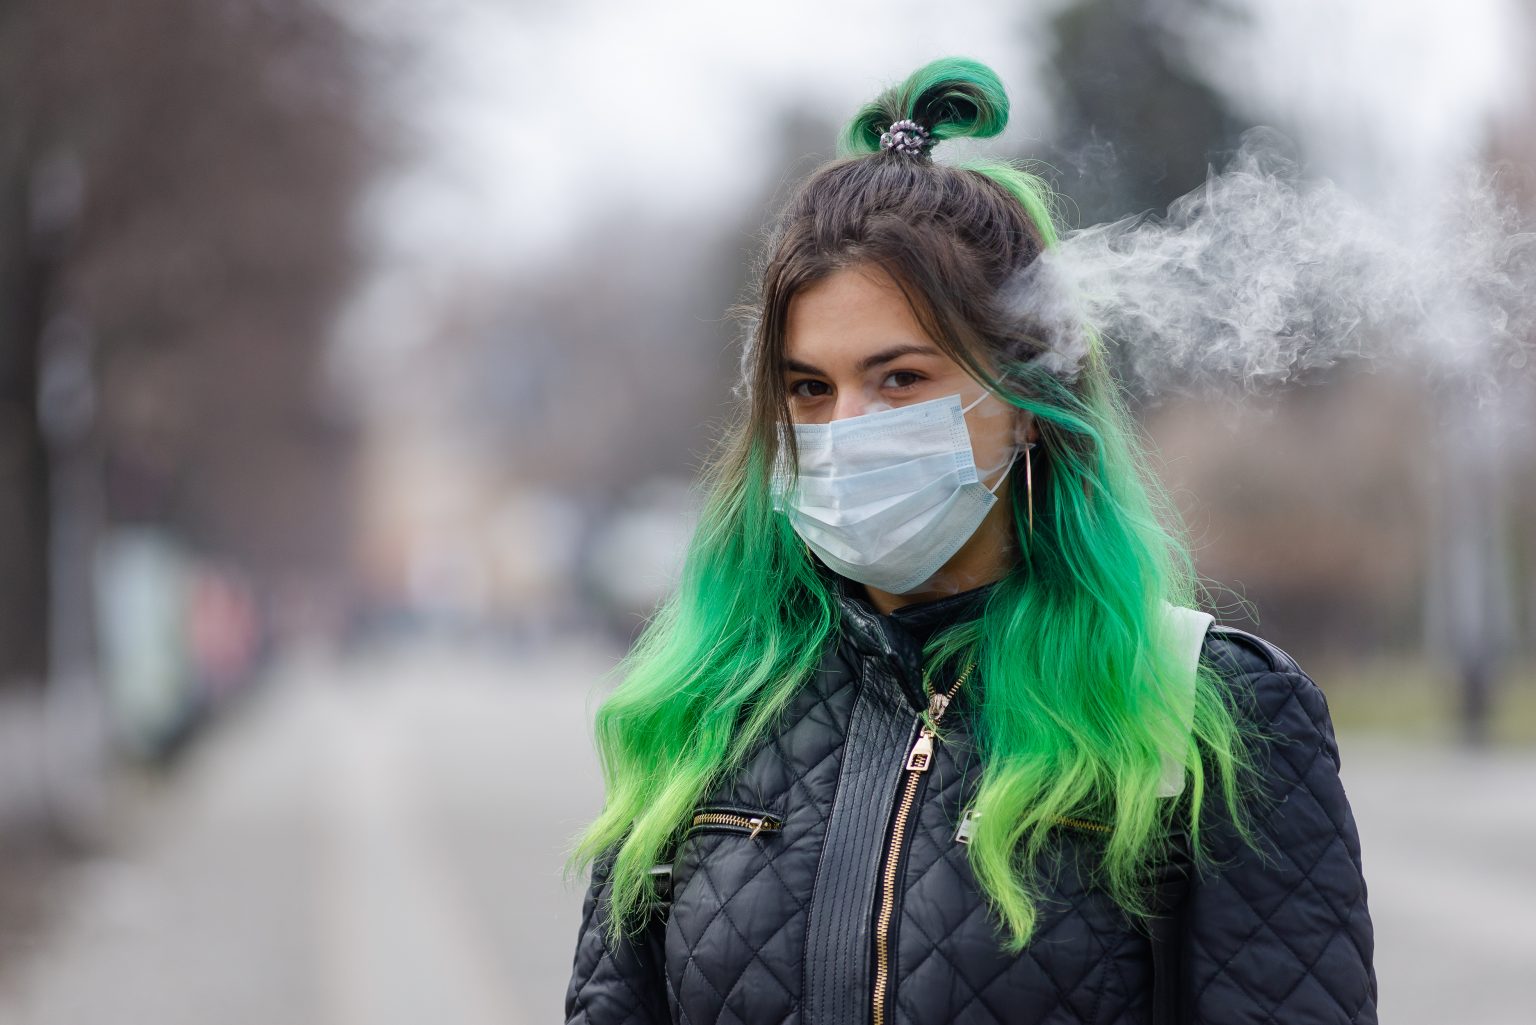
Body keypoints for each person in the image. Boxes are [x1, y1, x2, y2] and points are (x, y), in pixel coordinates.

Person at [564, 56, 1377, 1025]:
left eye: (900, 379)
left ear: (1030, 401)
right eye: (809, 388)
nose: (843, 427)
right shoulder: (701, 705)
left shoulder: (1206, 711)